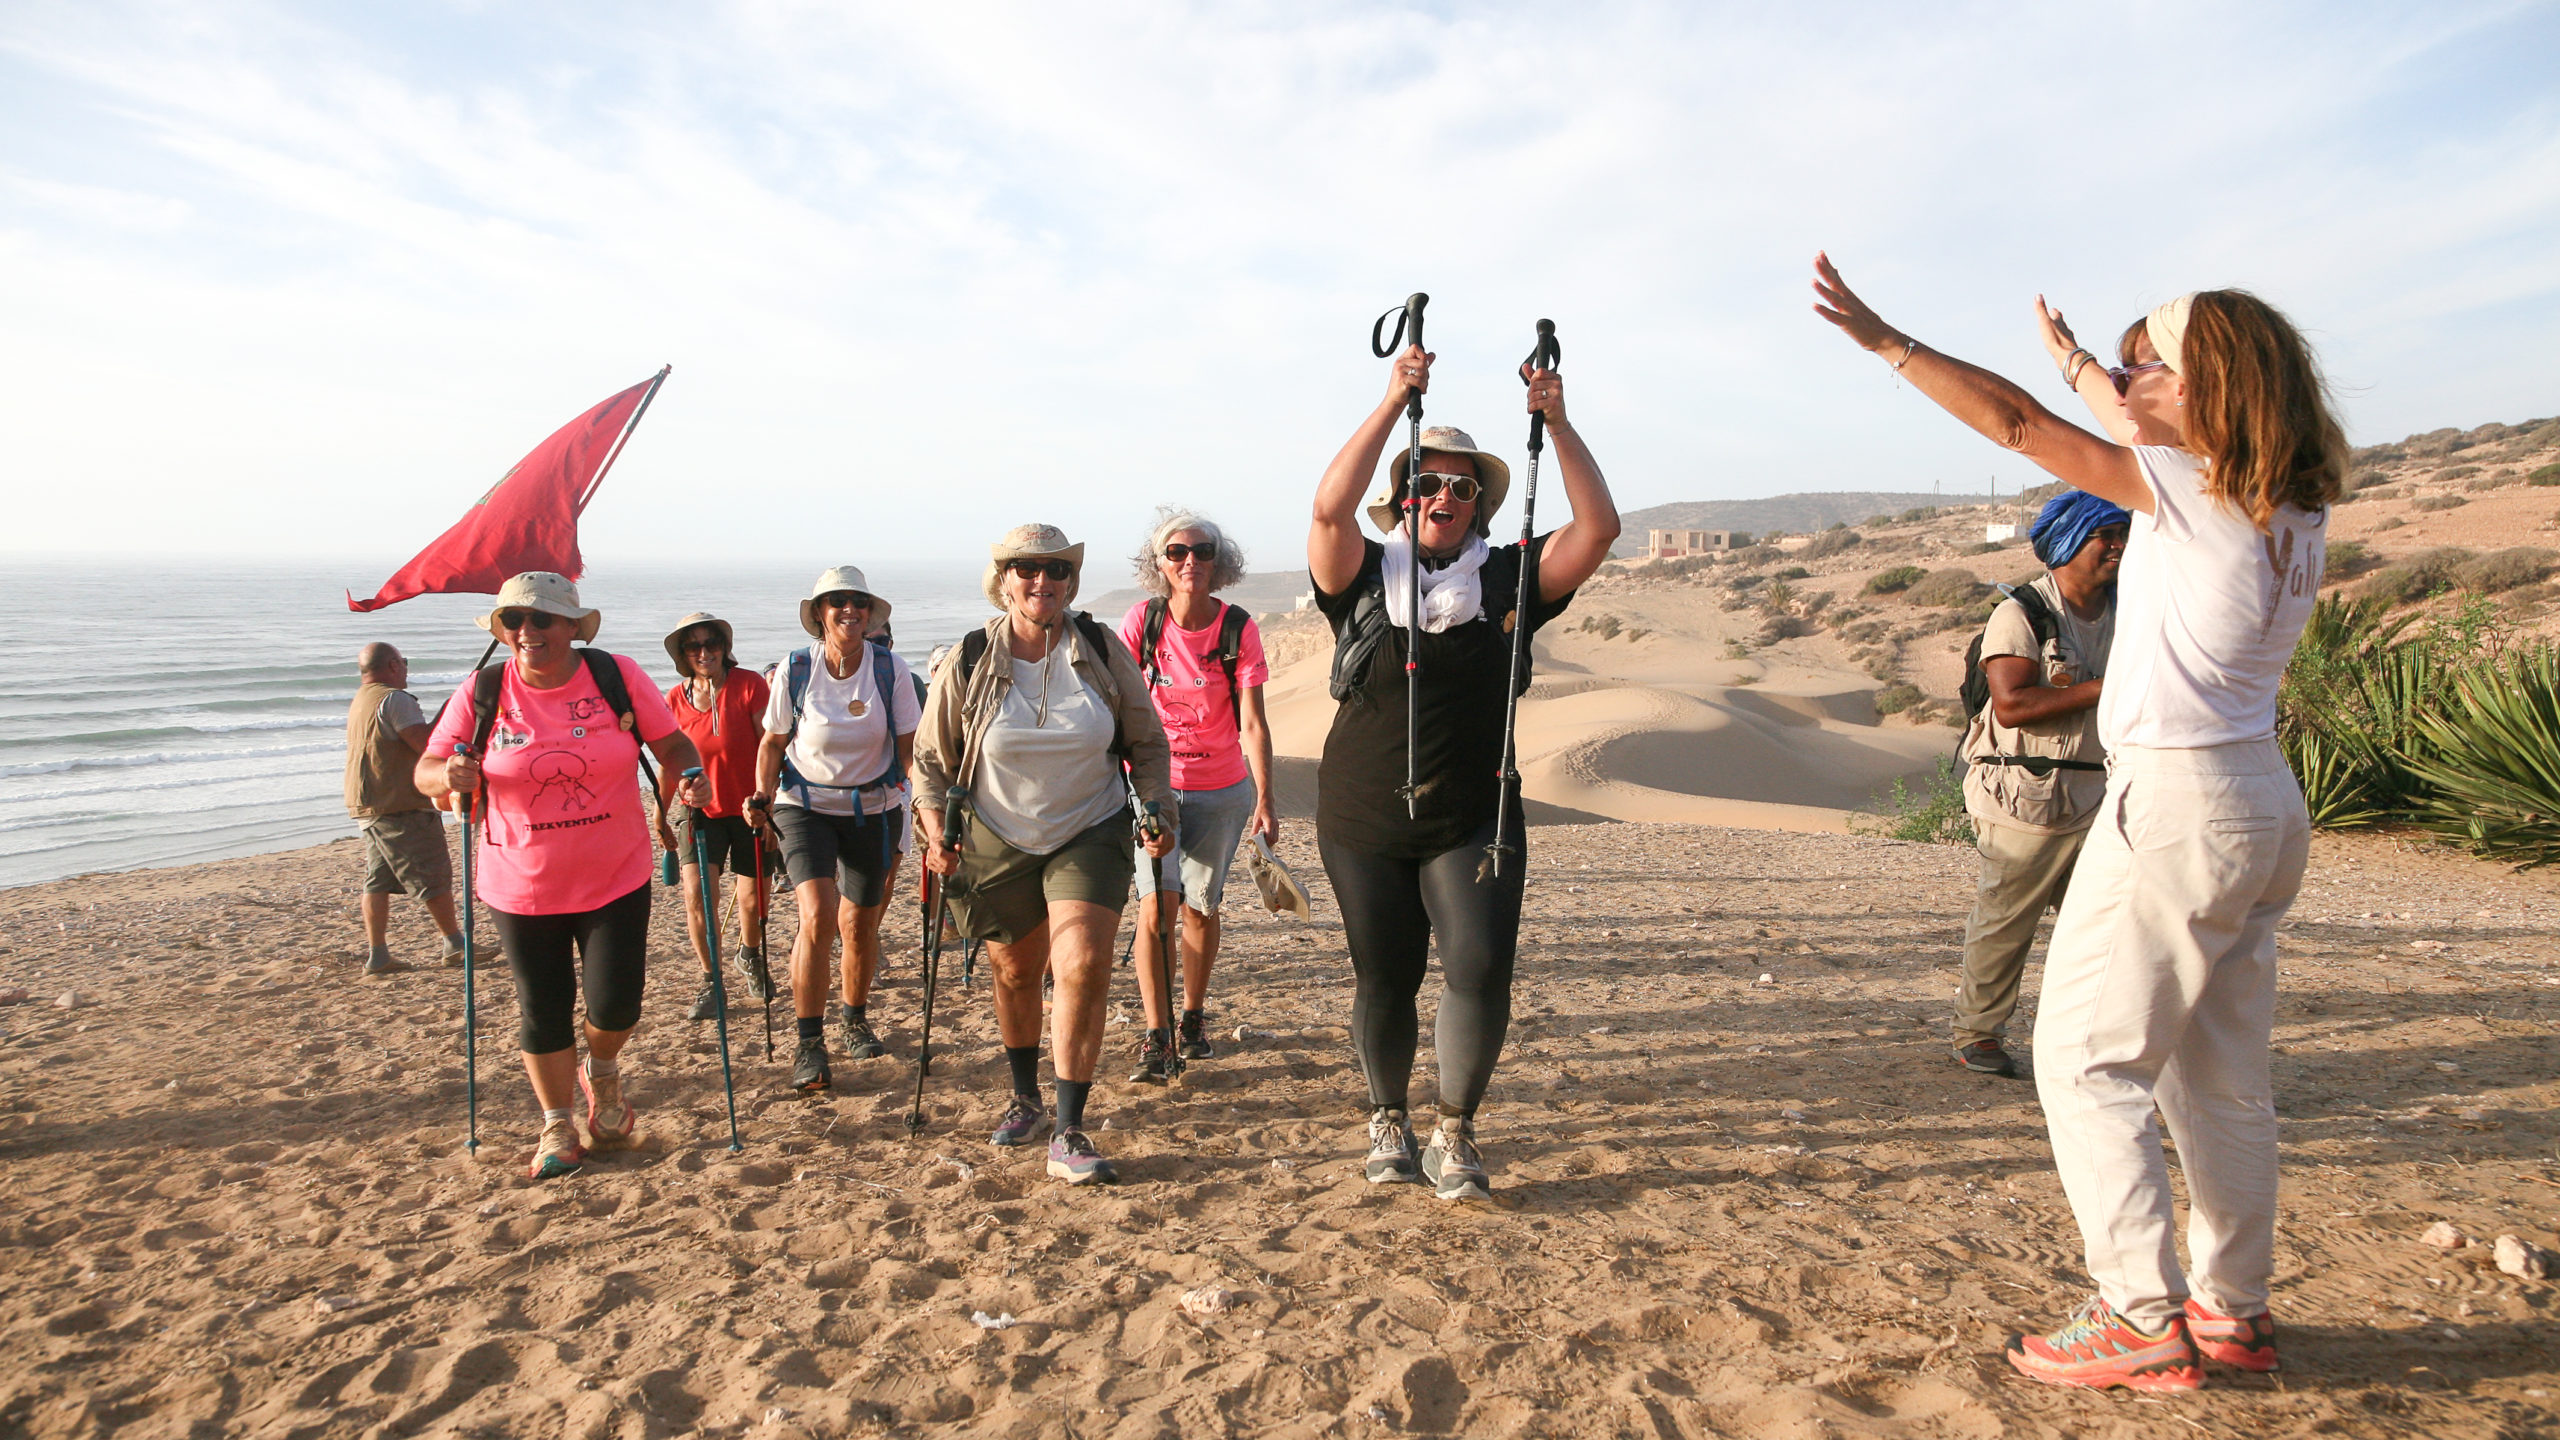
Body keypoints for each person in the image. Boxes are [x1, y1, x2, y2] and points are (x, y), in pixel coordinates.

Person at [1814, 256, 2340, 1390]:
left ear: (2206, 389)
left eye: (2151, 364)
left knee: (2083, 1058)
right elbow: (2112, 406)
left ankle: (2137, 1314)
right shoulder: (2291, 505)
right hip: (2259, 797)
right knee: (2220, 1077)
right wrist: (2082, 363)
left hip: (2177, 800)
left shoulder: (2185, 490)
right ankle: (2232, 1312)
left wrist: (1890, 345)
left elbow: (2016, 426)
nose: (2128, 379)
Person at [1307, 345, 1620, 1201]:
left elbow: (1597, 530)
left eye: (1462, 487)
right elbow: (1329, 509)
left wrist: (1558, 425)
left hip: (1475, 812)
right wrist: (1390, 404)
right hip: (1364, 817)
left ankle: (1455, 1130)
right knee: (1386, 976)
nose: (1443, 496)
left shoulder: (1510, 579)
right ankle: (1388, 1118)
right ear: (1403, 494)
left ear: (1480, 505)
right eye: (1426, 482)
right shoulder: (1362, 575)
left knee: (1479, 966)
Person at [416, 572, 708, 1180]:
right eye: (513, 620)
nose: (527, 630)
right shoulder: (483, 690)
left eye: (541, 618)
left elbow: (673, 745)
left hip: (615, 875)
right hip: (519, 882)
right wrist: (449, 776)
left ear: (572, 626)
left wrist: (691, 777)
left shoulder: (615, 676)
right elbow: (427, 769)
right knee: (543, 1008)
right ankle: (557, 1124)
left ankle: (601, 1069)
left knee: (617, 1006)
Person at [912, 524, 1174, 1186]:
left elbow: (1147, 741)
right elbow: (930, 760)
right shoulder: (970, 658)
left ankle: (1069, 1127)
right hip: (996, 836)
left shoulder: (1100, 649)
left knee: (1081, 965)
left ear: (1070, 583)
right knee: (1015, 973)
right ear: (1004, 581)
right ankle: (1025, 1097)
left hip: (1090, 827)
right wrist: (935, 830)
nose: (1042, 580)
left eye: (1056, 569)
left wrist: (1156, 808)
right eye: (1027, 568)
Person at [1950, 489, 2128, 1077]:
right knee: (2008, 921)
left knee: (2111, 927)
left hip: (2101, 795)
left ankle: (2099, 1040)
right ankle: (1978, 1034)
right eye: (2105, 536)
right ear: (2069, 543)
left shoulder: (2130, 610)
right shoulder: (2022, 614)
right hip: (2024, 796)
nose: (2118, 547)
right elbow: (2013, 704)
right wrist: (2112, 686)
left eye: (2122, 535)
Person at [1118, 508, 1277, 1082]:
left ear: (1218, 561)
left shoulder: (1238, 628)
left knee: (1200, 909)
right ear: (1159, 564)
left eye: (1203, 551)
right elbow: (1118, 703)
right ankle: (1157, 1034)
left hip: (1222, 789)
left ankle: (1192, 1016)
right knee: (1155, 907)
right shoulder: (1142, 622)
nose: (1191, 562)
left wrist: (1266, 797)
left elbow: (1253, 722)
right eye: (1177, 552)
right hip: (1153, 789)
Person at [750, 568, 922, 1095]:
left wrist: (923, 802)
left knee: (860, 924)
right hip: (803, 807)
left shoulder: (890, 669)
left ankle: (854, 1018)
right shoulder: (796, 669)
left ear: (869, 614)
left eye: (859, 602)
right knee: (818, 915)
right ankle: (809, 1043)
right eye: (837, 602)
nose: (850, 610)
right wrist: (761, 794)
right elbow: (773, 743)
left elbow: (910, 749)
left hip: (874, 808)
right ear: (819, 614)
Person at [655, 613, 774, 1022]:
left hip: (750, 809)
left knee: (753, 899)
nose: (704, 652)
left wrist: (770, 802)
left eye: (712, 644)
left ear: (725, 647)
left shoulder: (750, 686)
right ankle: (712, 980)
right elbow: (668, 761)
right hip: (698, 811)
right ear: (683, 654)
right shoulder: (674, 698)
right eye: (694, 646)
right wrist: (660, 812)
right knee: (698, 895)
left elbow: (770, 746)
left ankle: (750, 954)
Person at [345, 643, 467, 974]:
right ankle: (455, 944)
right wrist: (451, 712)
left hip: (370, 803)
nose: (406, 669)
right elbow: (426, 744)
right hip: (399, 803)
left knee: (378, 880)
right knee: (432, 873)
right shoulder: (395, 699)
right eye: (404, 662)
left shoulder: (362, 700)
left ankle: (378, 955)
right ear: (392, 665)